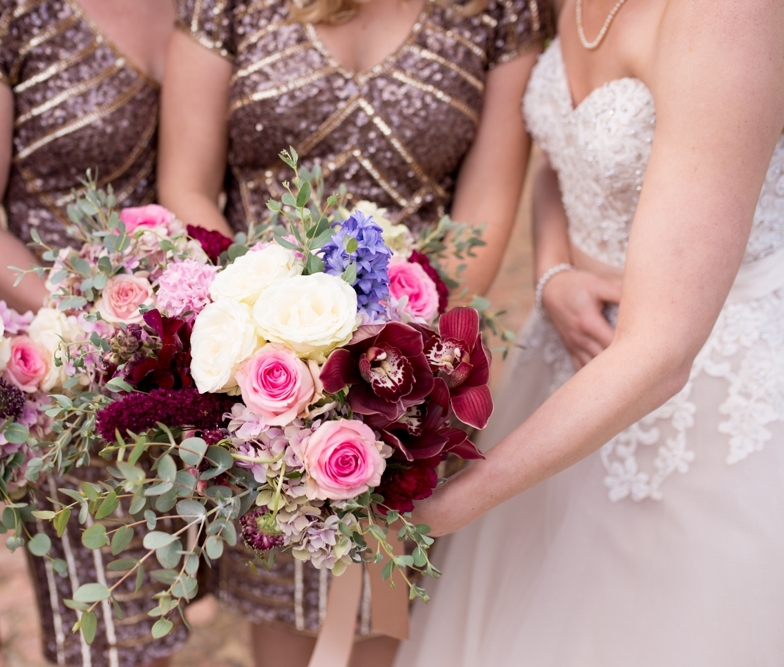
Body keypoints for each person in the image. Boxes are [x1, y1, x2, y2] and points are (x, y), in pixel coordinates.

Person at [159, 1, 552, 665]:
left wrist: (395, 344)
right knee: (280, 609)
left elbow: (483, 212)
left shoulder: (500, 12)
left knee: (384, 618)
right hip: (264, 377)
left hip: (411, 372)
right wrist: (272, 327)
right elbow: (186, 183)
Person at [397, 0, 784, 664]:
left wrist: (460, 500)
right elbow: (567, 152)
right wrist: (553, 272)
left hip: (705, 401)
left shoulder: (729, 16)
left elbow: (662, 351)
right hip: (570, 360)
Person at [0, 2, 186, 665]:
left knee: (197, 594)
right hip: (73, 373)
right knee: (113, 632)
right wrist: (93, 330)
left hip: (207, 353)